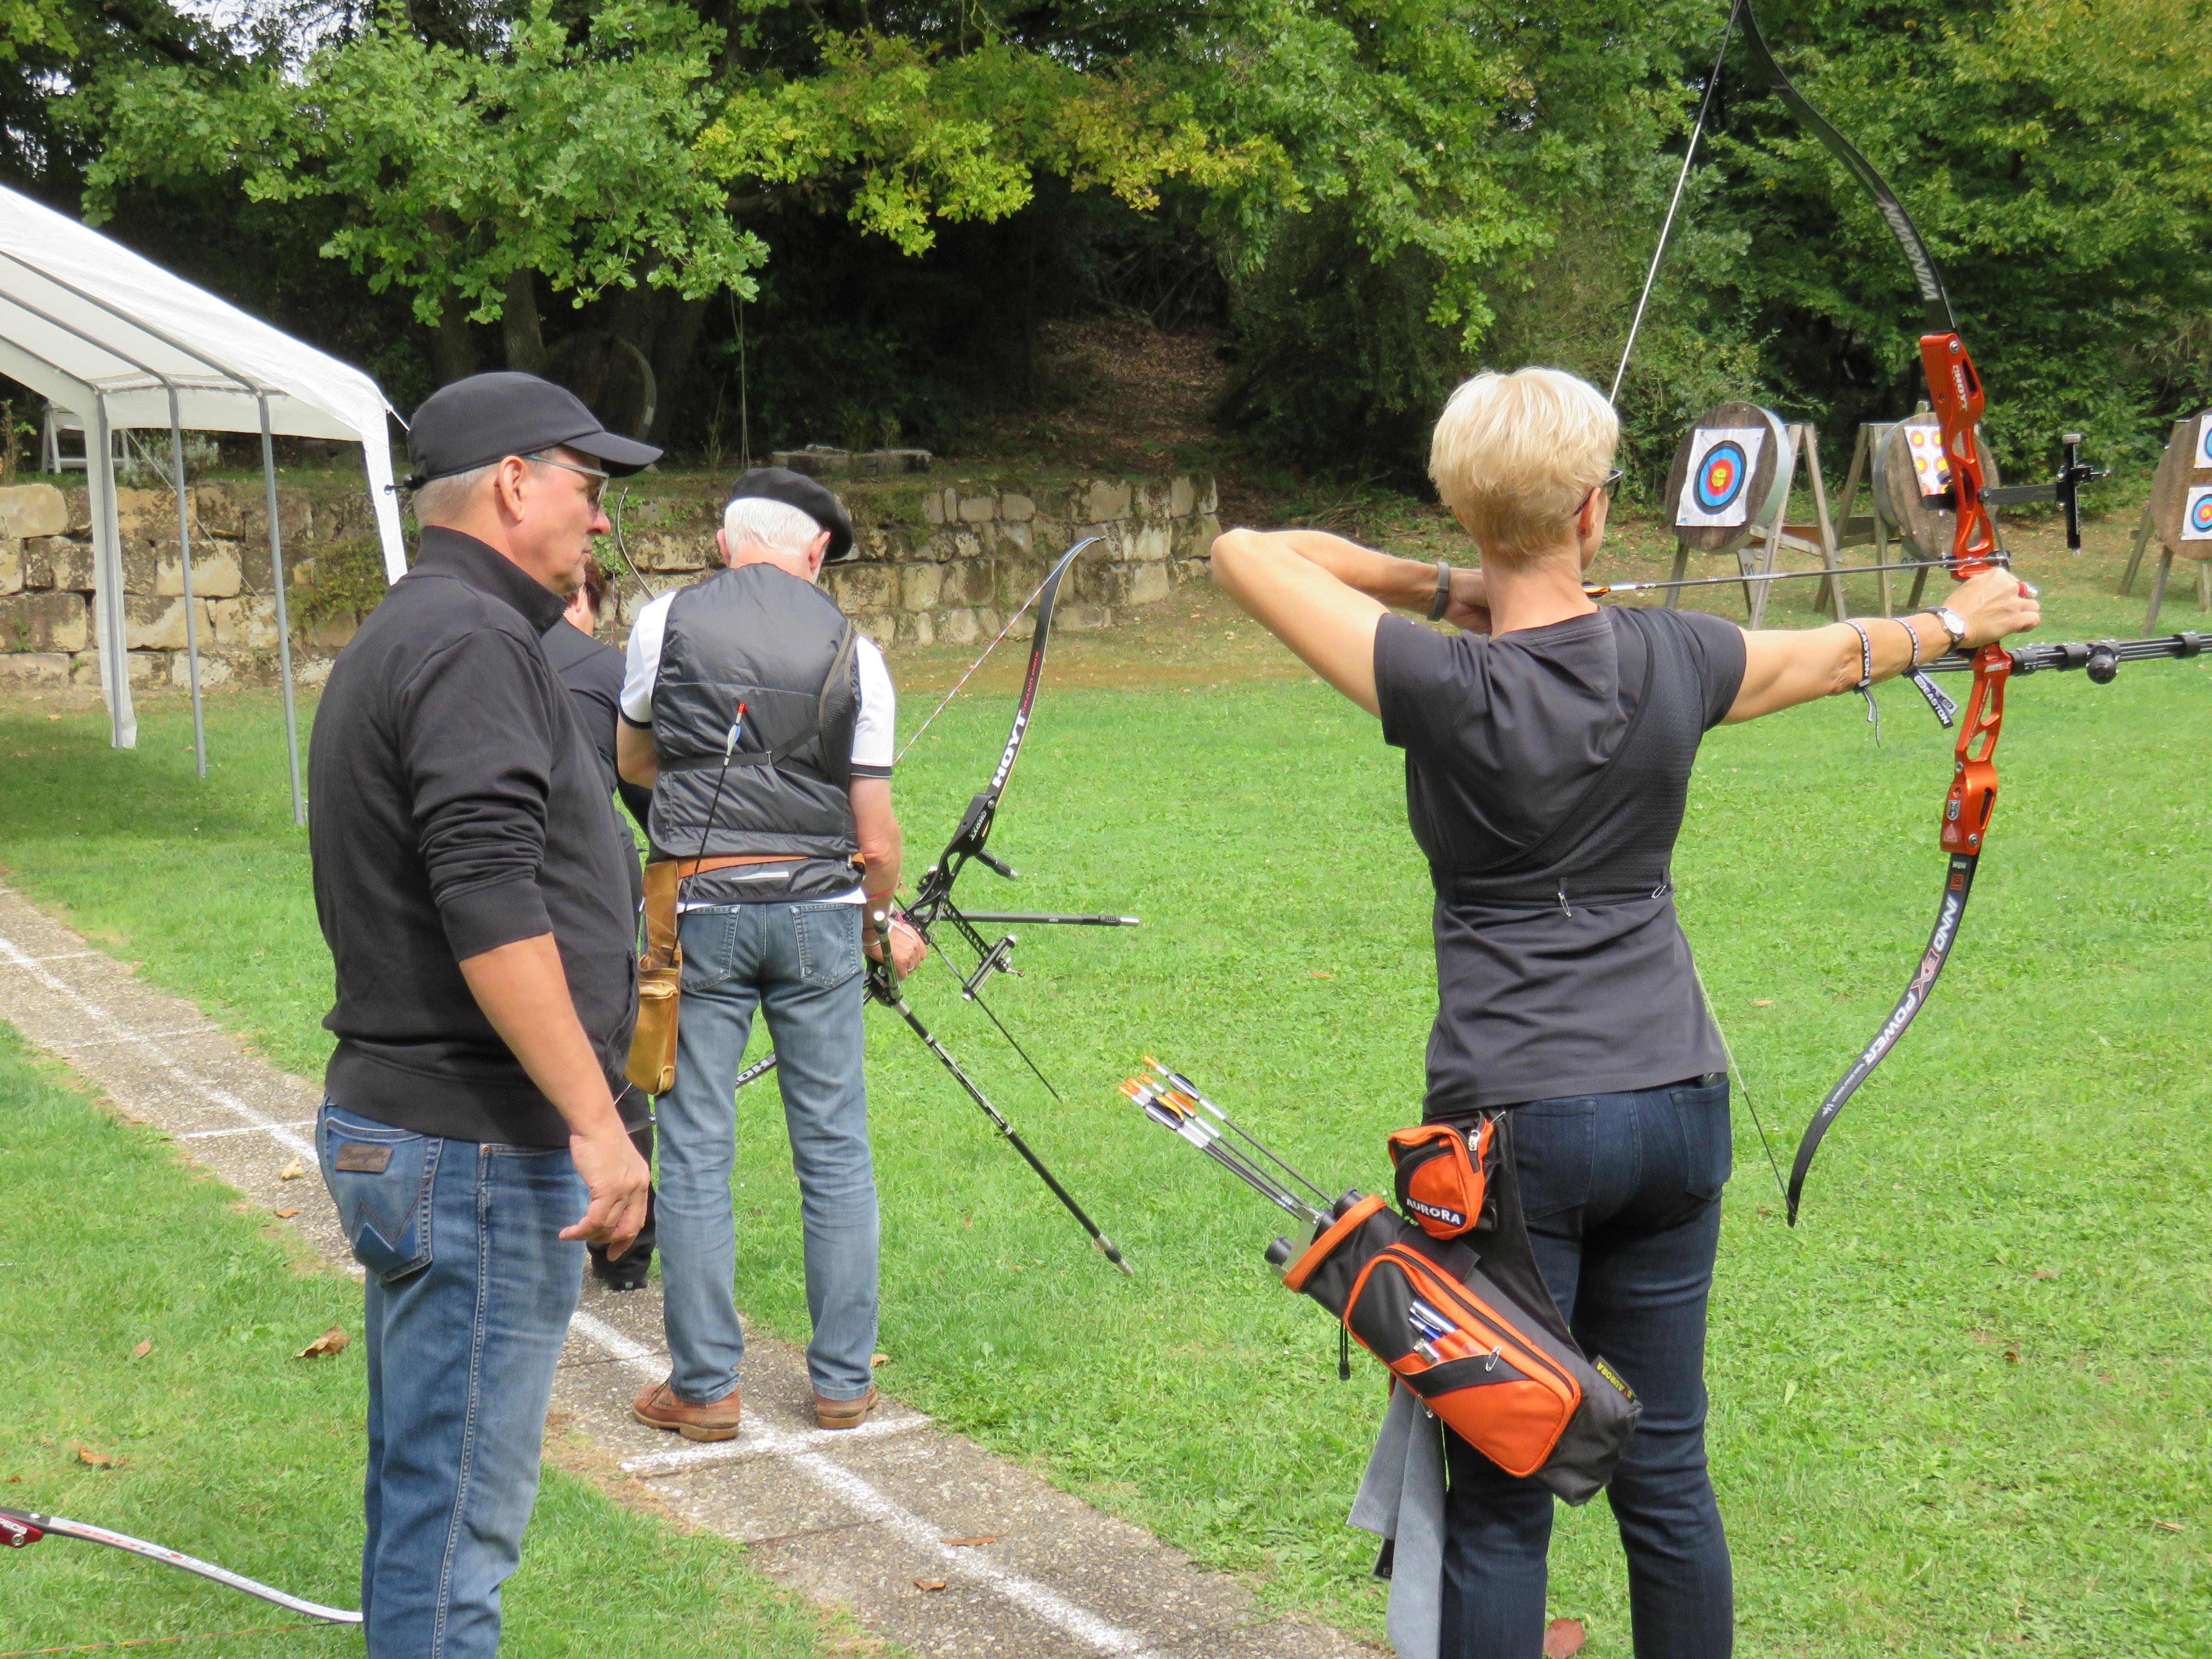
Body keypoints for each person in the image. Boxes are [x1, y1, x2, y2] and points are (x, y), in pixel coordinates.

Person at [1210, 366, 2039, 1659]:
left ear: (1468, 511)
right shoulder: (1679, 655)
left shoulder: (1439, 680)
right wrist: (1955, 619)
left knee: (1504, 1497)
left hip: (1516, 1132)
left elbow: (1250, 553)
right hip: (1675, 1109)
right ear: (1596, 511)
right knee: (1667, 1472)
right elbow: (1833, 655)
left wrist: (1450, 584)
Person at [308, 371, 658, 1658]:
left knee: (429, 1501)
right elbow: (491, 903)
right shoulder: (467, 641)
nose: (602, 521)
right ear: (515, 483)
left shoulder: (429, 627)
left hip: (422, 1132)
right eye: (589, 487)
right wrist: (599, 1121)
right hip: (472, 1145)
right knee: (454, 1533)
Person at [617, 467, 926, 1442]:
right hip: (819, 913)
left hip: (697, 908)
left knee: (695, 1147)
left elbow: (633, 759)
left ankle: (706, 1388)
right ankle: (843, 1383)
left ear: (723, 544)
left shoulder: (662, 621)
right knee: (833, 1148)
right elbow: (877, 840)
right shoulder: (857, 650)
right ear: (818, 551)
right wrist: (877, 923)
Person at [544, 554, 659, 1291]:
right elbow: (653, 799)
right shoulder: (602, 668)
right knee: (611, 1041)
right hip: (587, 874)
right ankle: (626, 1248)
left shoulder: (473, 652)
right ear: (580, 600)